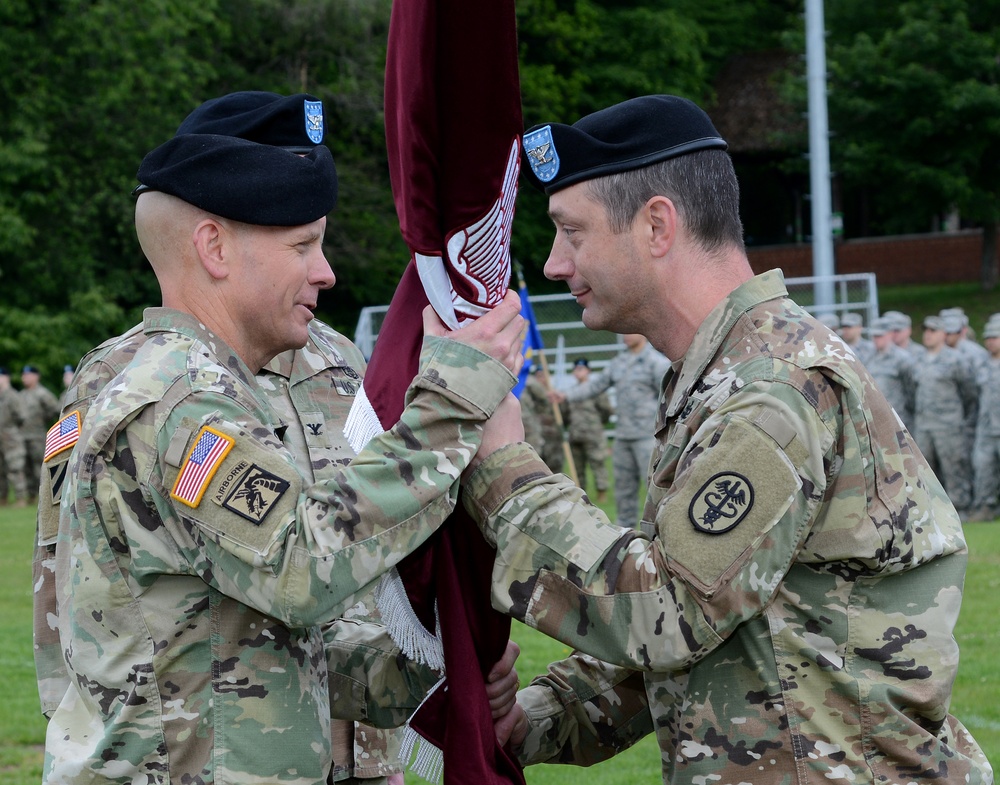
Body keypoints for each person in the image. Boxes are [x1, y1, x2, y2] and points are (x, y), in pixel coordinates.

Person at [454, 95, 991, 784]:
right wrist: (536, 717)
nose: (556, 262)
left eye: (572, 231)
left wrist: (505, 472)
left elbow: (669, 612)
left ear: (655, 225)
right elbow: (717, 632)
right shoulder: (723, 377)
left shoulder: (772, 388)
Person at [42, 120, 525, 784]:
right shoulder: (179, 402)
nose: (325, 272)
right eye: (303, 245)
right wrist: (450, 405)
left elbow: (274, 641)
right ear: (215, 247)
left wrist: (432, 668)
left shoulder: (207, 387)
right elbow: (304, 566)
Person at [549, 333, 669, 528]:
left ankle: (658, 529)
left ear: (642, 334)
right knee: (623, 488)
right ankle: (626, 530)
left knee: (653, 487)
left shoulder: (655, 362)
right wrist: (565, 396)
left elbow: (667, 396)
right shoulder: (618, 363)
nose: (625, 335)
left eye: (630, 331)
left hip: (647, 436)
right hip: (623, 436)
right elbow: (595, 386)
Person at [915, 315, 978, 517]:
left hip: (949, 425)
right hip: (924, 425)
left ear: (943, 334)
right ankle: (934, 513)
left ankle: (960, 510)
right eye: (926, 330)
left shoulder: (956, 359)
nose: (928, 335)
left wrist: (961, 420)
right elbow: (911, 392)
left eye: (933, 331)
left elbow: (969, 394)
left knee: (954, 468)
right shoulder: (918, 359)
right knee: (926, 471)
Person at [561, 357, 613, 503]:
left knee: (598, 464)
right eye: (576, 369)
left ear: (588, 371)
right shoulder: (570, 393)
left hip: (593, 434)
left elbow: (606, 410)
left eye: (582, 369)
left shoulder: (596, 391)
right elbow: (564, 414)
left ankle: (601, 494)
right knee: (577, 468)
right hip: (575, 435)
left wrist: (598, 424)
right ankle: (580, 496)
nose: (579, 372)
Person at [968, 320, 1000, 522]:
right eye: (987, 337)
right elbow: (971, 394)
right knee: (982, 467)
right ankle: (986, 507)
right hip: (986, 427)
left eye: (994, 337)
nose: (990, 341)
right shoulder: (980, 363)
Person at [864, 316, 917, 433]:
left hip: (898, 419)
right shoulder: (868, 358)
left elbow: (910, 390)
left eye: (880, 336)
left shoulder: (902, 359)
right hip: (875, 418)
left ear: (890, 334)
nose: (876, 339)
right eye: (874, 336)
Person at [19, 364, 60, 499]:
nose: (25, 378)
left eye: (28, 375)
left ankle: (43, 495)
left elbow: (56, 410)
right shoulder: (21, 395)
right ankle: (31, 495)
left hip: (37, 436)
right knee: (26, 467)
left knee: (39, 467)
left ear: (36, 376)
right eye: (24, 375)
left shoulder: (43, 393)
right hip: (22, 436)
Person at [0, 367, 28, 506]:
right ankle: (2, 498)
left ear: (6, 378)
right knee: (1, 470)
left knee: (16, 468)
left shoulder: (12, 396)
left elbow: (22, 416)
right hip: (1, 439)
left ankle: (21, 499)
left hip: (11, 439)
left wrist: (12, 429)